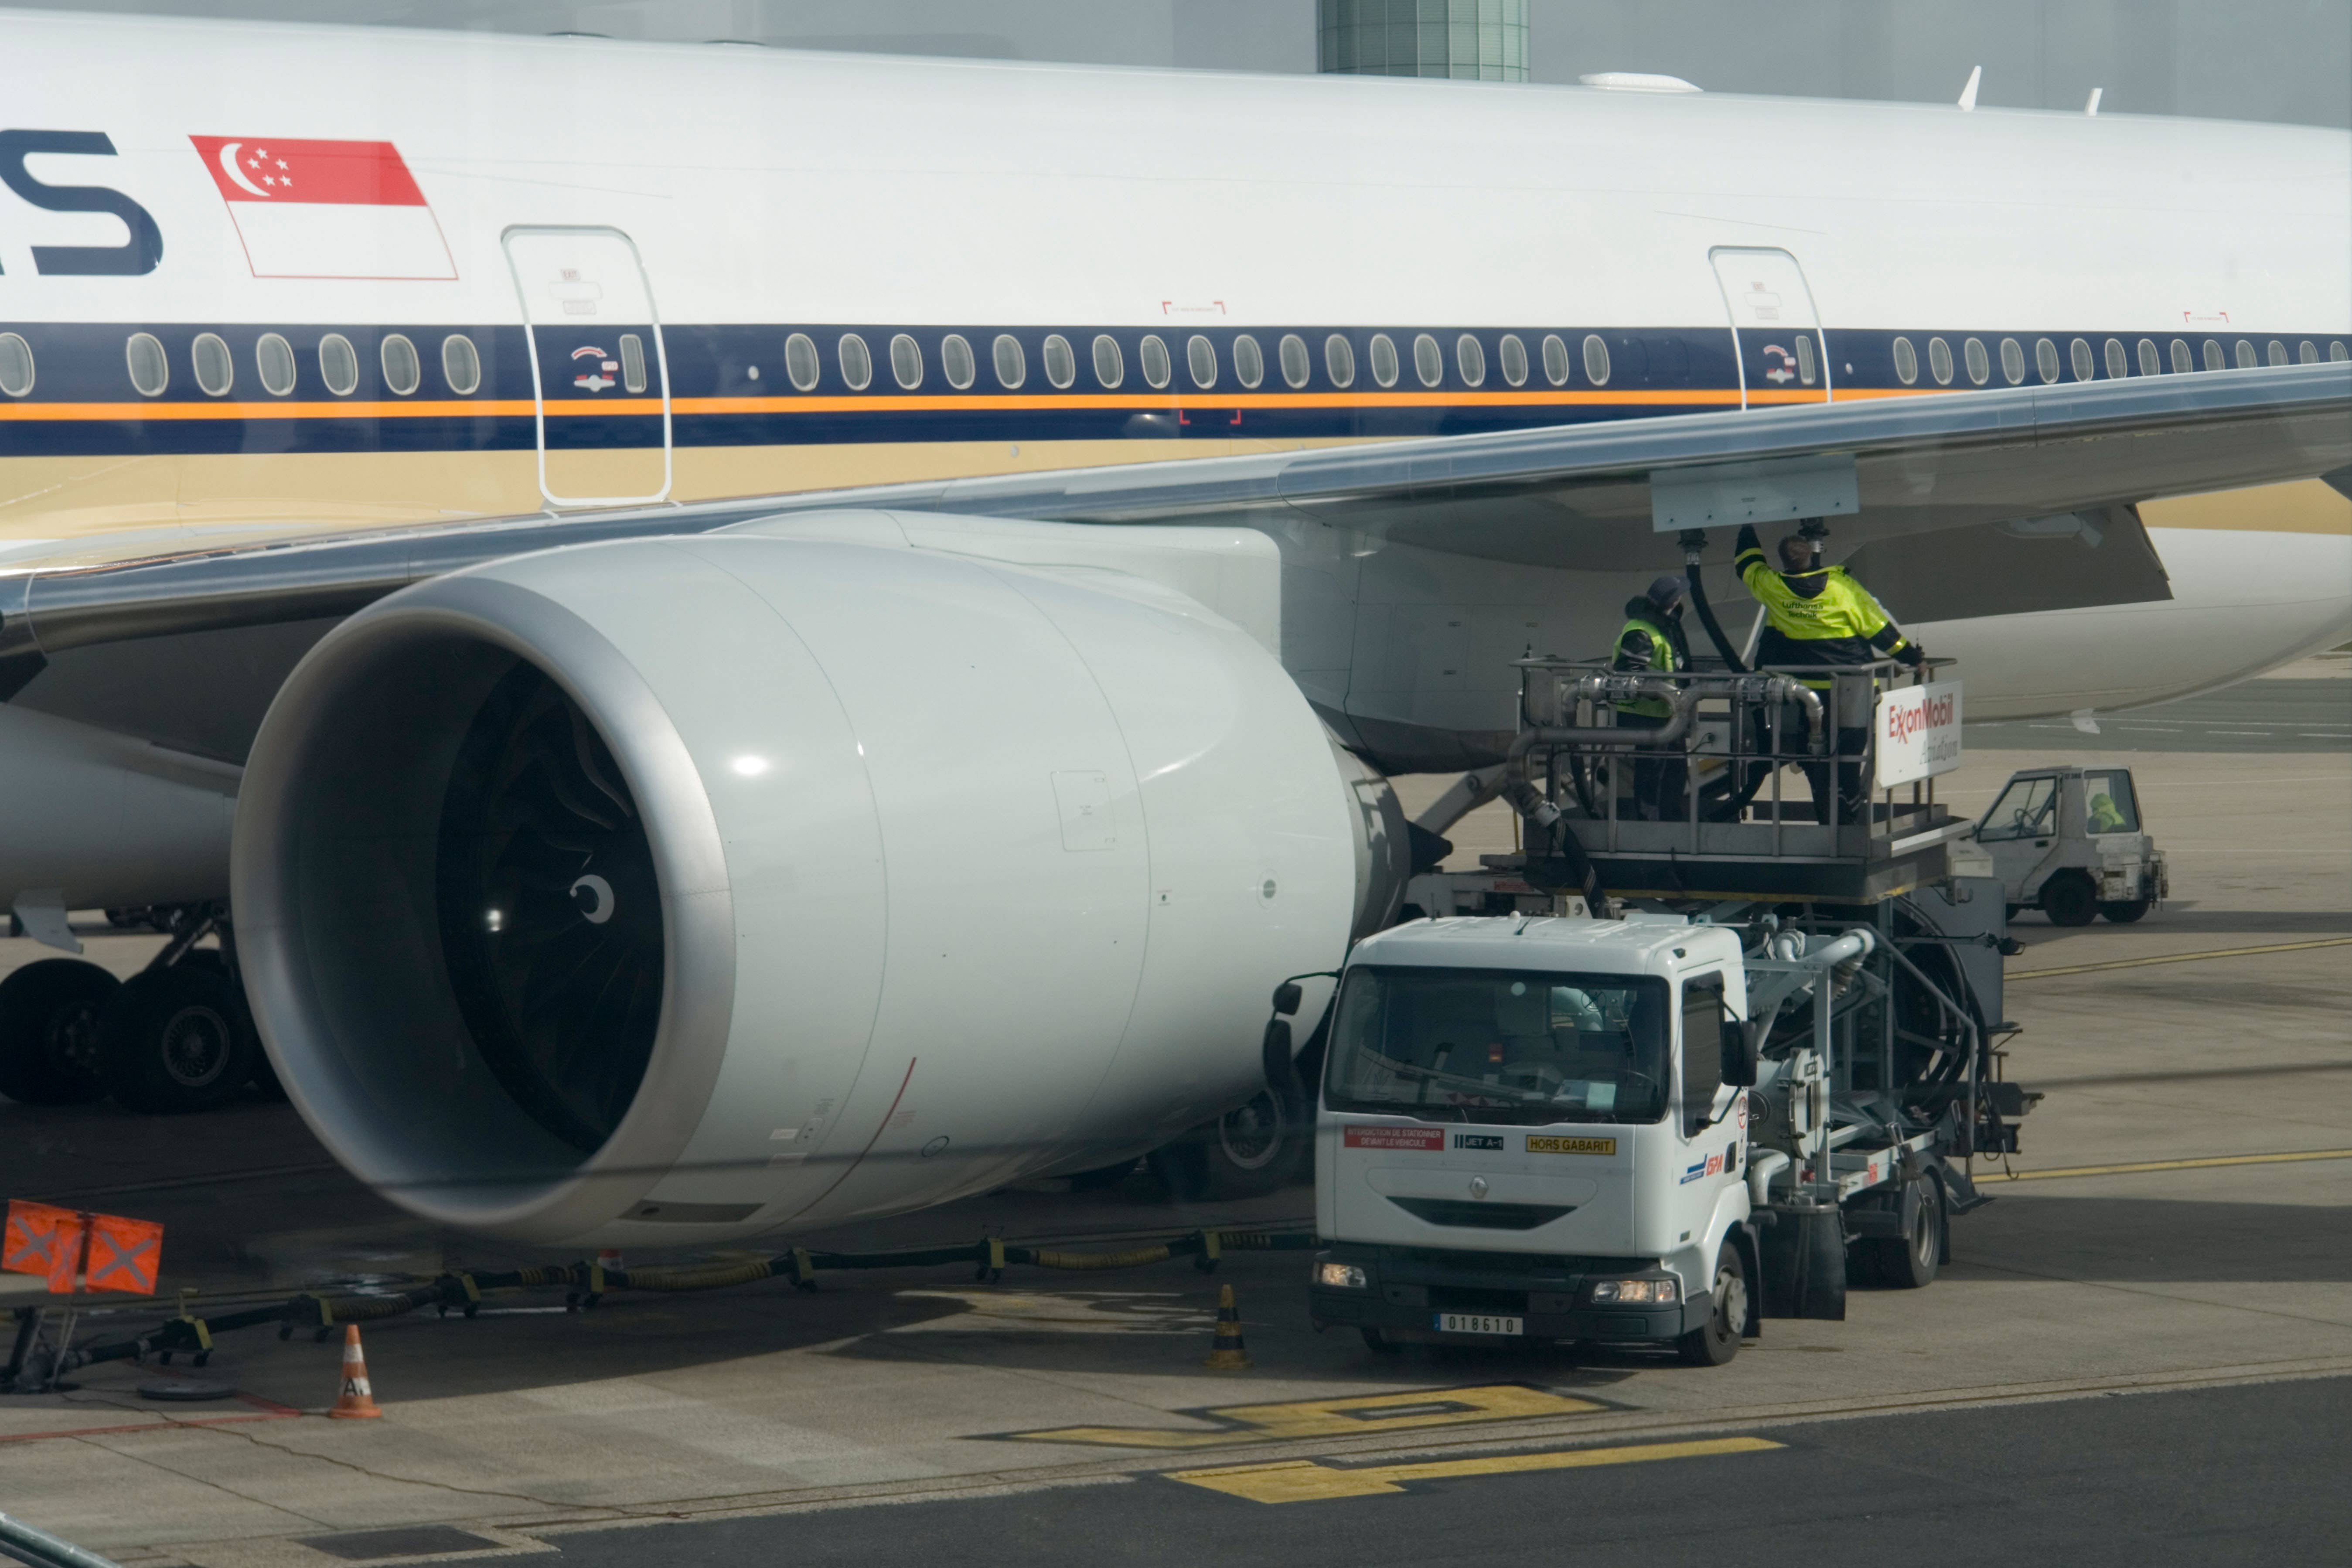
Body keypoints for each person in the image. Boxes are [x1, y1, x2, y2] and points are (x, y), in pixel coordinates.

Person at [1734, 523, 1923, 824]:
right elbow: (1879, 630)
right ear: (1811, 555)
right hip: (1851, 684)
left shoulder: (1773, 587)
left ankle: (1827, 802)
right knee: (1850, 753)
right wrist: (1912, 657)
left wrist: (1747, 529)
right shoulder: (1841, 589)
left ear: (1784, 561)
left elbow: (1747, 565)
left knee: (1812, 752)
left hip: (1807, 691)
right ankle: (1846, 804)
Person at [1611, 574, 1692, 820]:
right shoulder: (1642, 631)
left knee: (1675, 771)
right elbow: (1629, 671)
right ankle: (1650, 821)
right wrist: (1661, 692)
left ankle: (1671, 818)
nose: (1681, 599)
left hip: (1669, 713)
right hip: (1647, 715)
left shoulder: (1665, 624)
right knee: (1652, 773)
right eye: (1678, 595)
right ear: (1672, 600)